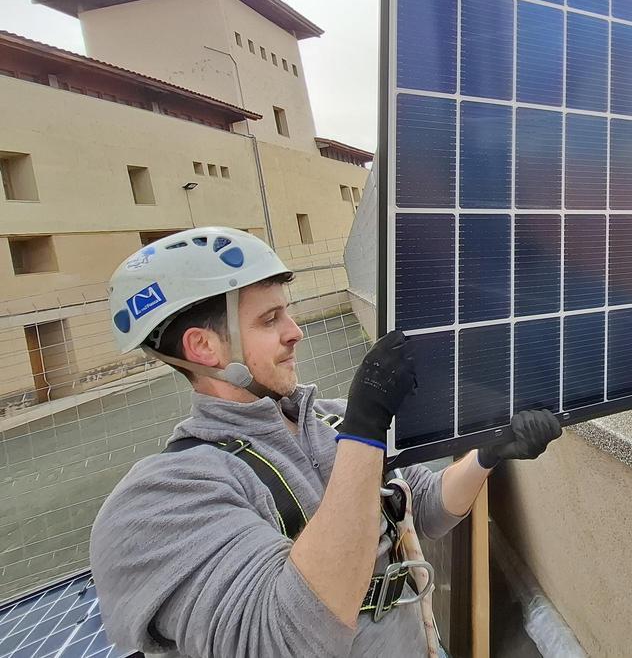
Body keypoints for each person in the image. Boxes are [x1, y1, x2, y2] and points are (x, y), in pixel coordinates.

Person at [90, 227, 561, 657]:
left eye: (287, 312)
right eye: (270, 319)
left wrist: (488, 454)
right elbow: (285, 639)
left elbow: (427, 508)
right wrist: (366, 430)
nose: (295, 332)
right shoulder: (163, 499)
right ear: (204, 348)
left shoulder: (330, 422)